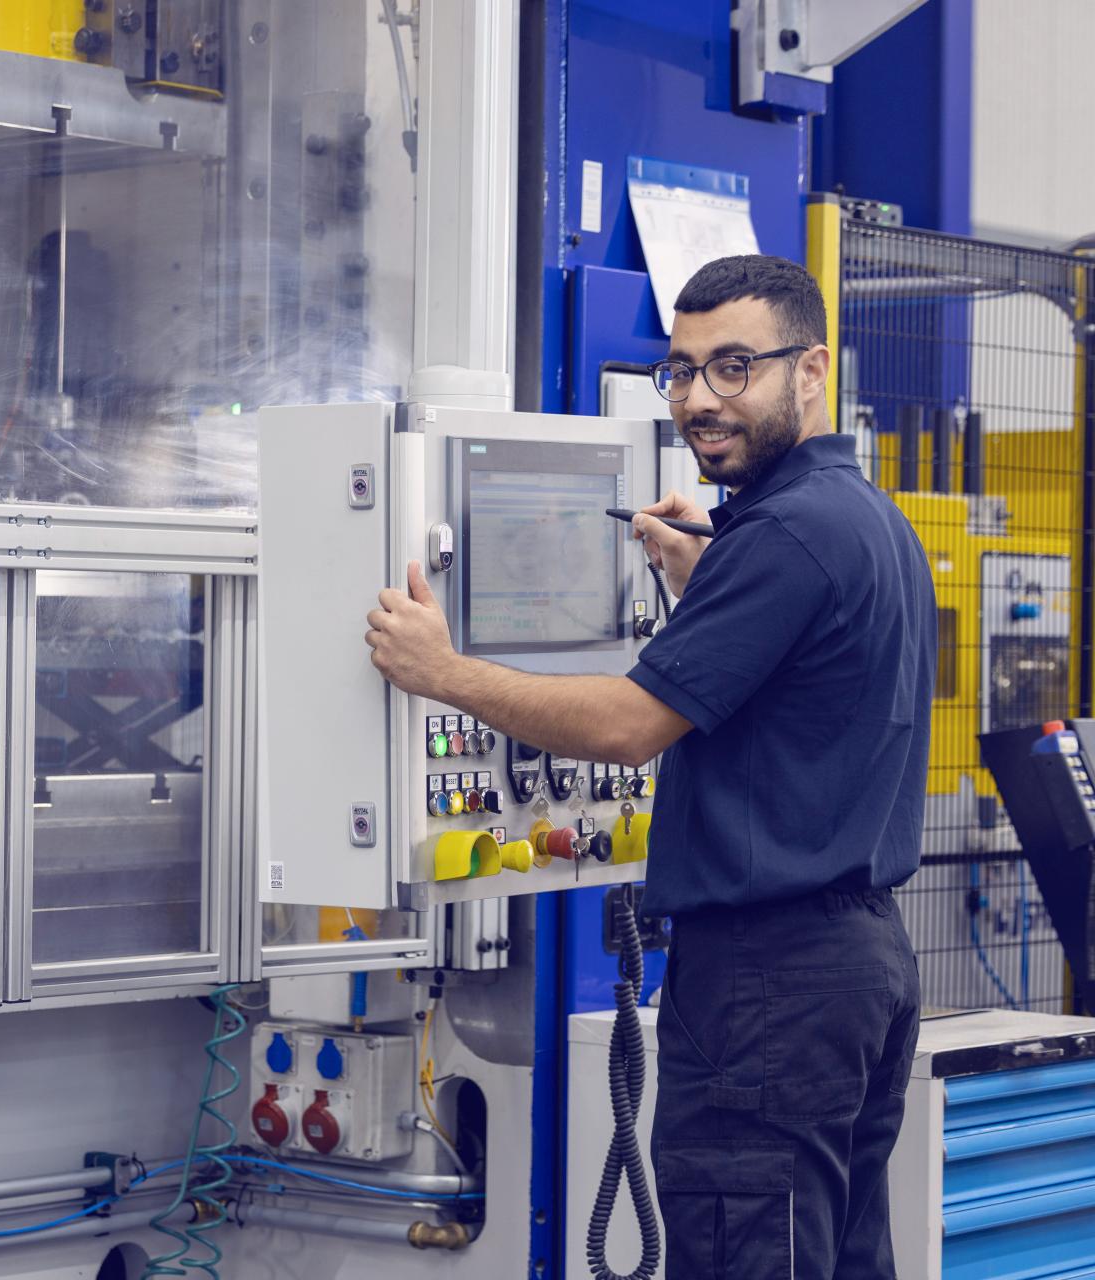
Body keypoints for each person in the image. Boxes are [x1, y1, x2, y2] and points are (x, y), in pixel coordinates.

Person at [365, 254, 934, 1278]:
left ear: (809, 371)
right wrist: (709, 578)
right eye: (679, 371)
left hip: (770, 979)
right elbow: (802, 673)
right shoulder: (864, 520)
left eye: (733, 367)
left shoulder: (787, 535)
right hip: (857, 968)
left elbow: (629, 724)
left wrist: (442, 670)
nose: (700, 399)